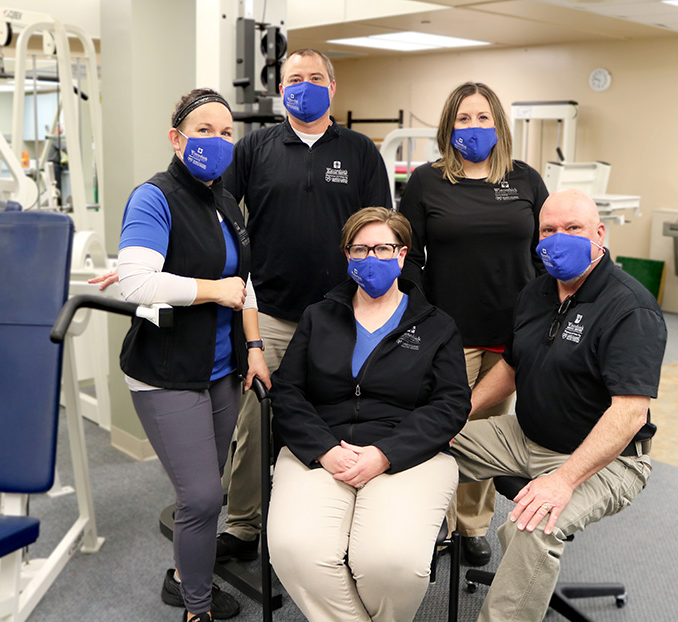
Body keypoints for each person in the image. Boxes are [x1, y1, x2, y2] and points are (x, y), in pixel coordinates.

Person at [450, 188, 666, 622]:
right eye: (548, 230)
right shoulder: (537, 292)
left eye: (572, 228)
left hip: (607, 459)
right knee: (431, 441)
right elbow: (510, 367)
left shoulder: (630, 309)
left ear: (599, 235)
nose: (557, 238)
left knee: (531, 528)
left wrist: (563, 480)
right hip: (524, 434)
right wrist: (458, 412)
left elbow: (628, 413)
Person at [216, 48, 393, 562]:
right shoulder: (254, 148)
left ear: (332, 88)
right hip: (269, 312)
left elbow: (377, 229)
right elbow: (220, 213)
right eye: (295, 78)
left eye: (315, 78)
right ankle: (244, 523)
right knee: (255, 424)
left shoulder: (360, 151)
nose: (305, 85)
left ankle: (334, 525)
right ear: (282, 88)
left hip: (342, 316)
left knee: (340, 419)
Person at [267, 207, 470, 622]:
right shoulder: (318, 316)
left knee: (392, 563)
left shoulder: (436, 326)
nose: (370, 258)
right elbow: (288, 392)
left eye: (382, 248)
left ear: (402, 254)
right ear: (347, 255)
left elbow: (451, 404)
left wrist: (386, 453)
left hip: (406, 455)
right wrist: (324, 449)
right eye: (360, 249)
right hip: (322, 448)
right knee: (294, 549)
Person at [116, 88, 269, 622]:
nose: (218, 140)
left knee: (211, 487)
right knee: (203, 497)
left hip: (224, 369)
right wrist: (211, 289)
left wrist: (254, 346)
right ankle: (194, 607)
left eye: (227, 132)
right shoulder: (153, 196)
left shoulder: (227, 202)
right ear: (176, 137)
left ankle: (184, 571)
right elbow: (134, 283)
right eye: (204, 130)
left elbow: (243, 286)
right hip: (166, 373)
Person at [398, 81, 549, 566]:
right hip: (449, 332)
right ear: (448, 125)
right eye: (463, 118)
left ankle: (471, 526)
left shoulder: (525, 180)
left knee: (491, 431)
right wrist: (424, 313)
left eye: (483, 117)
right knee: (444, 425)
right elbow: (409, 256)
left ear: (499, 125)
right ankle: (430, 522)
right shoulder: (426, 181)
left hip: (511, 335)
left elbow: (543, 254)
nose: (474, 126)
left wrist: (540, 317)